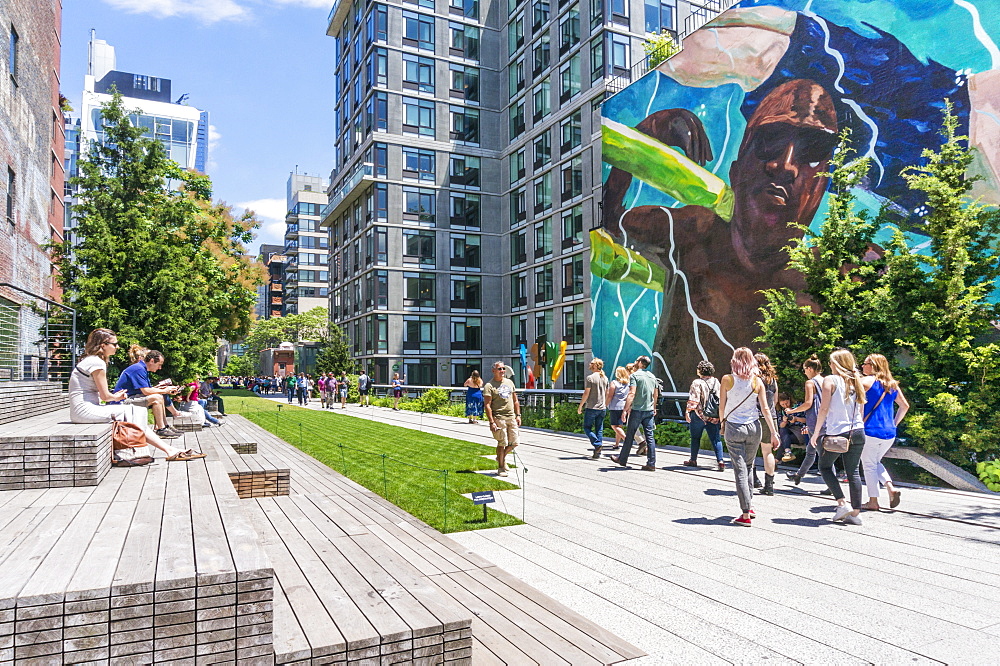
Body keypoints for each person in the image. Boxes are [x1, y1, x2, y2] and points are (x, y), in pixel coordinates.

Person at [70, 329, 204, 461]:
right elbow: (106, 397)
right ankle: (146, 452)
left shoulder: (92, 360)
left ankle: (166, 450)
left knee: (137, 411)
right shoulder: (96, 363)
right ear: (103, 345)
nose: (117, 347)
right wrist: (117, 397)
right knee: (134, 411)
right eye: (114, 344)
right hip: (84, 411)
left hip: (87, 409)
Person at [719, 348, 780, 526]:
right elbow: (766, 408)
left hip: (734, 427)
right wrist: (774, 432)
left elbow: (722, 406)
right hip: (755, 427)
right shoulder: (757, 381)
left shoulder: (727, 379)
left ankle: (745, 513)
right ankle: (750, 505)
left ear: (734, 361)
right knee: (749, 465)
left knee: (740, 470)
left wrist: (722, 423)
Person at [812, 348, 867, 526]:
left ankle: (842, 503)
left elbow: (824, 408)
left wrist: (816, 432)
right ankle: (856, 514)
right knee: (854, 473)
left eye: (830, 362)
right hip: (858, 431)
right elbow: (860, 409)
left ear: (836, 364)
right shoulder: (856, 381)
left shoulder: (830, 380)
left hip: (838, 432)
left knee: (825, 466)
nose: (829, 366)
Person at [860, 354, 910, 511]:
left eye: (865, 363)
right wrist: (894, 424)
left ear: (873, 365)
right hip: (889, 433)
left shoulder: (866, 381)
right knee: (875, 462)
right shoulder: (892, 384)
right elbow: (905, 406)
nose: (862, 366)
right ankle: (890, 488)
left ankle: (873, 501)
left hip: (869, 430)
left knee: (869, 465)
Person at [113, 348, 185, 439]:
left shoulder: (142, 368)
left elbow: (147, 390)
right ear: (151, 361)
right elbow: (146, 391)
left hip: (131, 397)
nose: (160, 368)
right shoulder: (138, 369)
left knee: (160, 395)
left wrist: (164, 389)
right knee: (157, 398)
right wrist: (165, 390)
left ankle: (165, 426)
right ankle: (161, 429)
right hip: (121, 401)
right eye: (159, 364)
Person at [610, 355, 659, 471]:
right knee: (650, 437)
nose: (635, 362)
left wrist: (625, 410)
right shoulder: (652, 377)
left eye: (637, 360)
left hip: (637, 410)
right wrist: (654, 407)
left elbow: (631, 394)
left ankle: (622, 459)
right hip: (649, 410)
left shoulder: (634, 376)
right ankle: (651, 463)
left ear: (641, 363)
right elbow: (655, 395)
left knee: (630, 435)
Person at [785, 355, 824, 486]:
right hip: (826, 419)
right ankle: (799, 475)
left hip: (814, 420)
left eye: (804, 369)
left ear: (809, 369)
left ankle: (832, 485)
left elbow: (808, 403)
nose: (805, 373)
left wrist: (792, 411)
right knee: (811, 450)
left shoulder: (810, 383)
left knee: (821, 454)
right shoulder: (826, 381)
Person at [684, 360, 724, 471]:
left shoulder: (697, 382)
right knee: (716, 439)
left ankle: (693, 459)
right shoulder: (716, 382)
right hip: (713, 416)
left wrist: (688, 411)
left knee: (695, 437)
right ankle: (720, 461)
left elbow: (694, 399)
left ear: (700, 371)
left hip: (699, 415)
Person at [483, 361, 521, 477]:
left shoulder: (509, 382)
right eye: (499, 369)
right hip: (499, 417)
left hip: (511, 417)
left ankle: (501, 458)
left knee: (515, 443)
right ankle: (501, 467)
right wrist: (491, 422)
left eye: (503, 369)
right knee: (502, 443)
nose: (502, 371)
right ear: (493, 371)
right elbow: (487, 405)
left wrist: (518, 415)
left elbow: (515, 400)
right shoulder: (489, 386)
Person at [753, 353, 780, 495]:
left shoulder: (754, 379)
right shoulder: (773, 380)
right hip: (771, 418)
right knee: (767, 452)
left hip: (754, 417)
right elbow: (774, 401)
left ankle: (754, 479)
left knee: (750, 450)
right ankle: (769, 485)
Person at [578, 358, 609, 459]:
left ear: (595, 365)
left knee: (587, 427)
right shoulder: (605, 378)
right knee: (599, 428)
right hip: (602, 408)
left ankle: (597, 444)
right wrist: (605, 404)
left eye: (591, 363)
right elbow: (607, 393)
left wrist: (580, 405)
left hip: (592, 407)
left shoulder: (590, 378)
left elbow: (586, 393)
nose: (589, 364)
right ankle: (597, 451)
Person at [604, 366, 630, 450]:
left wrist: (605, 405)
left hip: (615, 407)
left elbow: (610, 395)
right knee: (619, 426)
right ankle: (616, 444)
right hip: (624, 407)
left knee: (614, 426)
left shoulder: (614, 383)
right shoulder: (628, 384)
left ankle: (627, 440)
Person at [775, 393, 806, 463]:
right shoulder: (781, 411)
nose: (785, 405)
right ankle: (787, 452)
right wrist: (784, 421)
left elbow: (807, 420)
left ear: (789, 400)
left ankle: (777, 460)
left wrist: (796, 419)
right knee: (782, 430)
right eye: (783, 404)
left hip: (800, 431)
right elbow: (781, 426)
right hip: (788, 433)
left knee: (782, 440)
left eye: (786, 403)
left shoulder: (798, 406)